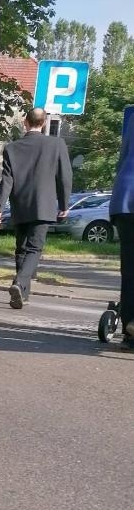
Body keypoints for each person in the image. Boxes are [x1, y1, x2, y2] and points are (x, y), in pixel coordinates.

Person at [0, 107, 72, 309]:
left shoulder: (12, 148)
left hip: (20, 205)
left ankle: (21, 295)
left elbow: (6, 181)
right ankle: (19, 283)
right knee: (35, 248)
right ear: (44, 124)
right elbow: (65, 176)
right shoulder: (56, 144)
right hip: (44, 205)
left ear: (25, 123)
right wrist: (64, 204)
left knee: (21, 249)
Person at [109, 110, 134, 347]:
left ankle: (130, 328)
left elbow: (123, 159)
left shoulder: (131, 116)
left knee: (130, 270)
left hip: (126, 198)